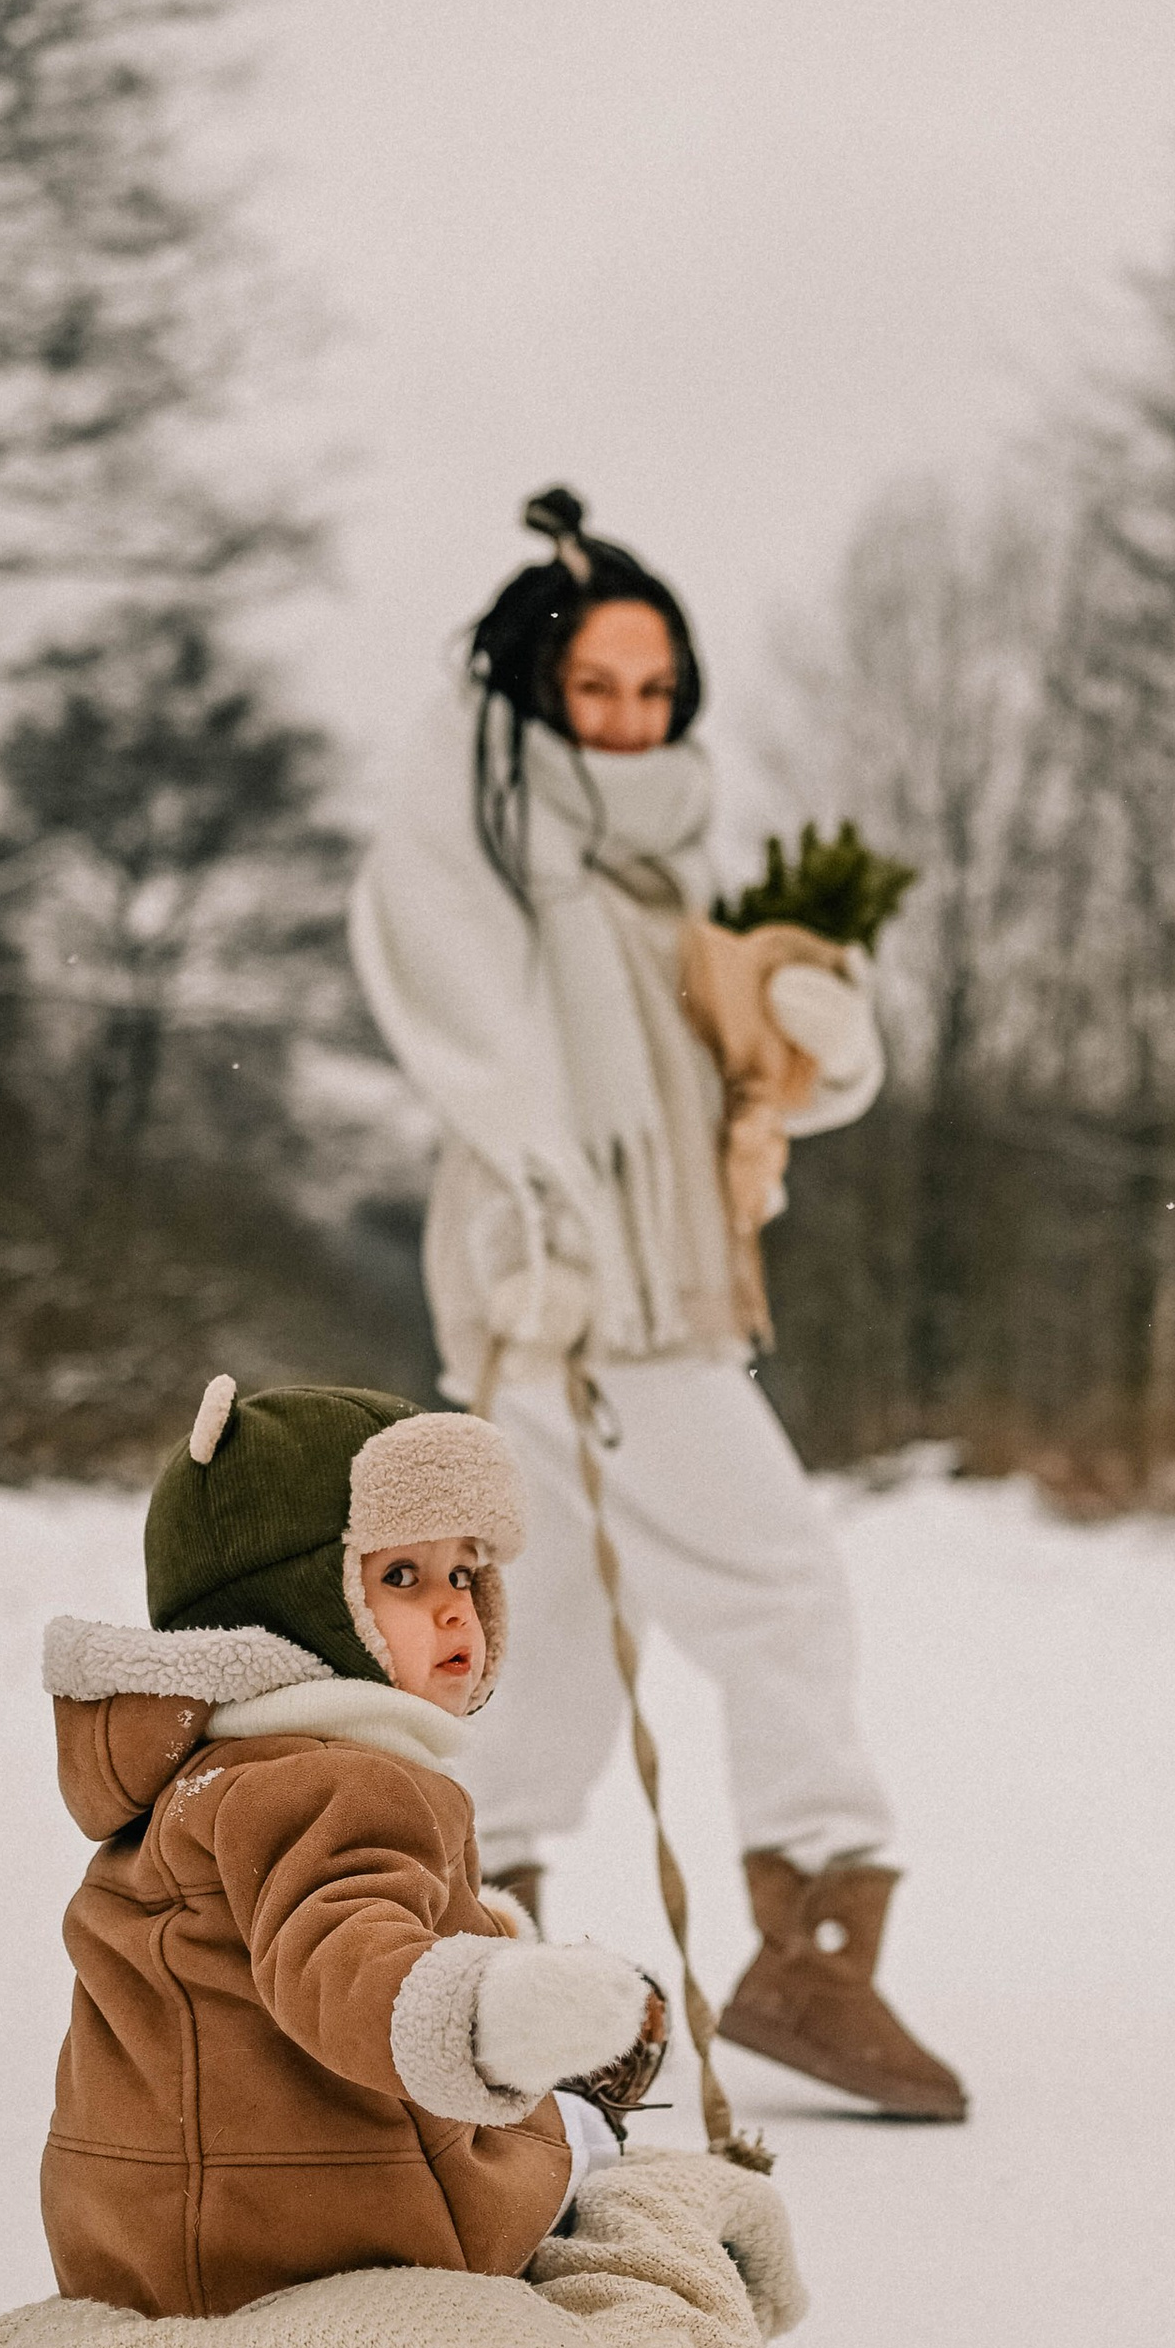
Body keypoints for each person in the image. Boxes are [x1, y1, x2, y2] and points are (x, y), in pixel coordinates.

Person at [349, 487, 967, 2122]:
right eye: (592, 685)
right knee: (779, 1589)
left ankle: (478, 1956)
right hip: (577, 1297)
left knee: (552, 1627)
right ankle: (814, 1939)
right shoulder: (490, 845)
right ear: (531, 694)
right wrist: (523, 621)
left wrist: (817, 1028)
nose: (627, 719)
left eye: (654, 687)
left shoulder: (658, 878)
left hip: (641, 1286)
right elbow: (465, 1013)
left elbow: (742, 1065)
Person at [38, 1376, 667, 2318]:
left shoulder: (196, 1780)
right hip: (335, 2227)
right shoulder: (340, 1779)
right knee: (554, 2144)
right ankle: (586, 2113)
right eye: (402, 1576)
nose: (455, 1610)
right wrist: (495, 2013)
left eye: (465, 1573)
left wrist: (476, 1934)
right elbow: (339, 1951)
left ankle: (544, 2050)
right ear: (295, 1597)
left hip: (129, 2240)